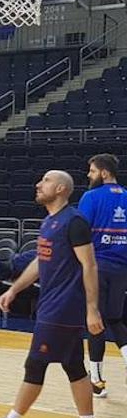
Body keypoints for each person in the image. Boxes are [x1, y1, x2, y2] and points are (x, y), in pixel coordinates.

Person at [0, 170, 105, 418]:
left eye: (44, 181)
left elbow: (90, 265)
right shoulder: (49, 222)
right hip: (53, 305)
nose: (38, 184)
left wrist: (92, 309)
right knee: (74, 367)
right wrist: (14, 288)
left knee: (35, 364)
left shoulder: (74, 222)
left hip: (63, 308)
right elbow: (39, 263)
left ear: (59, 189)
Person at [77, 153, 127, 398]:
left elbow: (80, 232)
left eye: (92, 170)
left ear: (105, 173)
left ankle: (96, 381)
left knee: (95, 322)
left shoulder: (91, 197)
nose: (89, 175)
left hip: (96, 266)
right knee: (116, 318)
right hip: (122, 267)